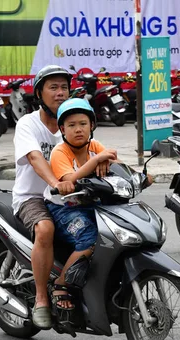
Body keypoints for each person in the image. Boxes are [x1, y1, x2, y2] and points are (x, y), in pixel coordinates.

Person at [12, 65, 111, 329]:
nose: (59, 93)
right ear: (39, 94)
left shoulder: (72, 121)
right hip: (34, 196)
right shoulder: (27, 124)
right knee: (45, 228)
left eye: (64, 87)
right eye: (53, 87)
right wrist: (57, 182)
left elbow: (94, 151)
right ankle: (43, 298)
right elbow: (34, 158)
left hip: (74, 195)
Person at [43, 98, 118, 314]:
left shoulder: (95, 147)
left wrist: (139, 176)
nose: (78, 130)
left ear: (92, 126)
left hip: (92, 204)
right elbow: (70, 179)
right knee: (89, 238)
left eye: (83, 124)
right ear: (62, 129)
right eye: (72, 125)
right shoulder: (60, 152)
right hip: (63, 208)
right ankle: (61, 283)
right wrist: (97, 161)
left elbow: (116, 165)